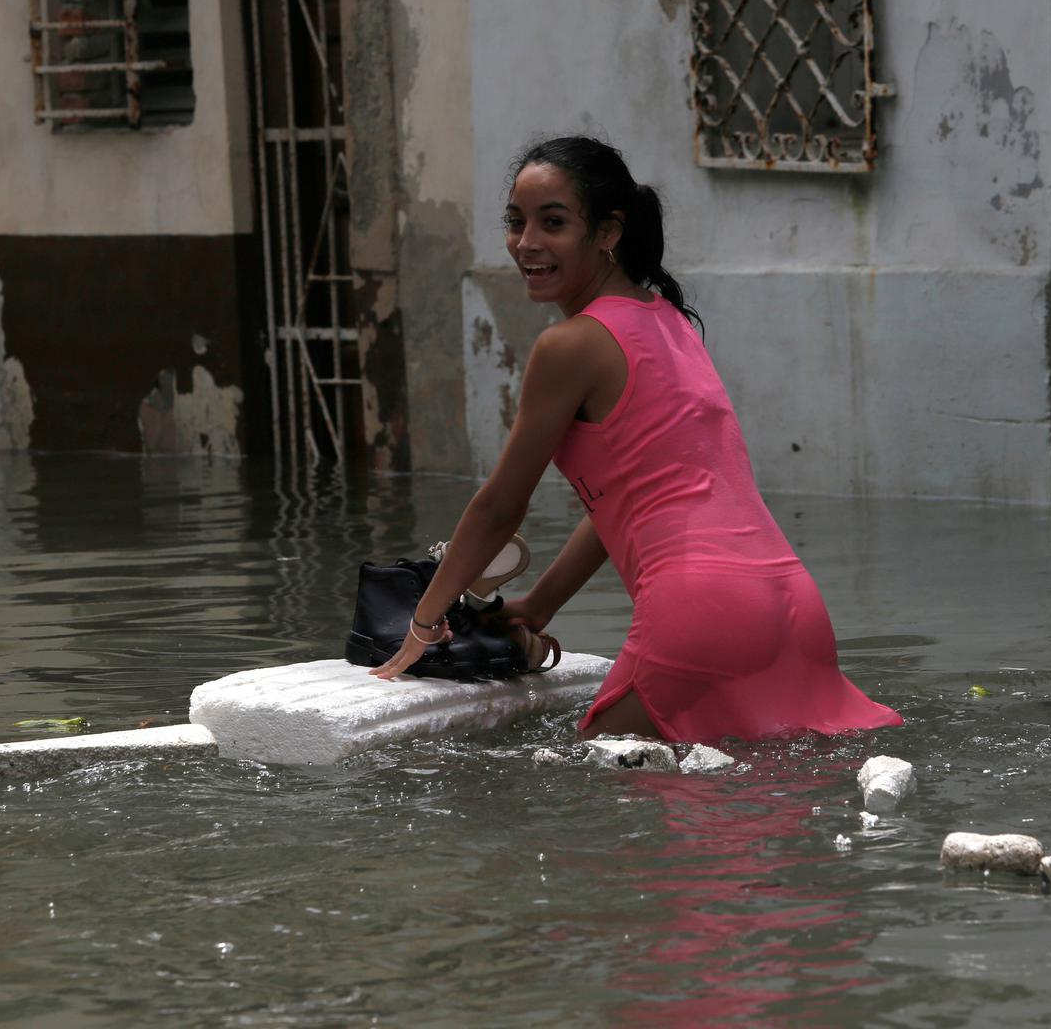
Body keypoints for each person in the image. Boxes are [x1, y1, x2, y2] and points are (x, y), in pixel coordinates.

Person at [371, 136, 901, 743]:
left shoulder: (569, 345)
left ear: (607, 232)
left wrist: (424, 623)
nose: (527, 243)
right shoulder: (671, 320)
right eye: (516, 223)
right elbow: (629, 500)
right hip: (793, 606)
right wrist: (539, 605)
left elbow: (499, 506)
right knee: (765, 797)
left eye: (553, 223)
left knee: (600, 791)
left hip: (700, 609)